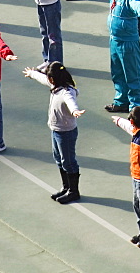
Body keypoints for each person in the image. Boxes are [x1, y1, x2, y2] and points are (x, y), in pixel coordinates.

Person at [23, 62, 84, 204]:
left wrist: (75, 111)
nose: (48, 79)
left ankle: (74, 192)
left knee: (68, 161)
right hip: (56, 130)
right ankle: (66, 187)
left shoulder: (67, 92)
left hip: (66, 133)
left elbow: (71, 102)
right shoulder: (55, 86)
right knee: (58, 158)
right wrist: (32, 73)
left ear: (53, 78)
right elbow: (42, 79)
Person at [111, 106, 140, 248]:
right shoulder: (136, 130)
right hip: (137, 176)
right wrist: (118, 120)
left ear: (132, 121)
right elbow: (127, 126)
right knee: (138, 205)